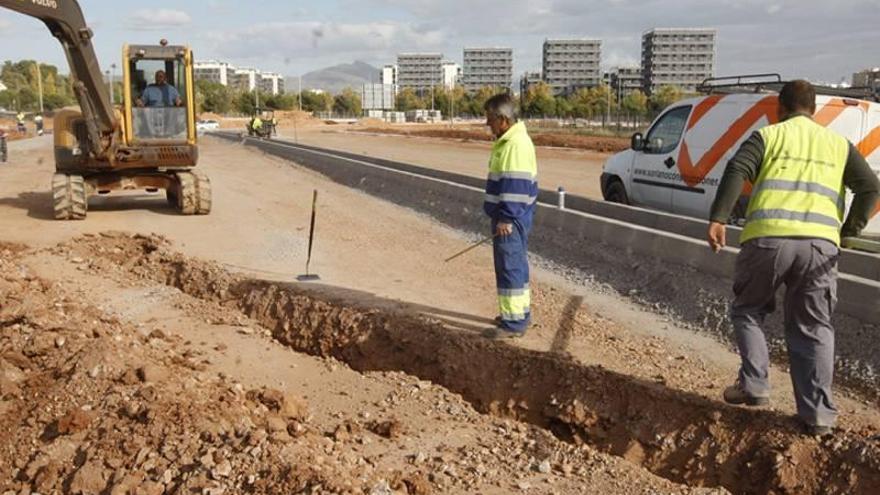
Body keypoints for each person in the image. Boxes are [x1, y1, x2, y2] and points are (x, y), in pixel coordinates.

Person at [707, 80, 880, 436]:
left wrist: (719, 218)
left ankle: (755, 384)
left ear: (779, 109)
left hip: (768, 241)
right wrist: (850, 230)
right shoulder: (838, 144)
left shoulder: (768, 137)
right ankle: (818, 416)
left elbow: (737, 169)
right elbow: (870, 188)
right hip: (820, 247)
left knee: (749, 310)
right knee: (814, 327)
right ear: (813, 109)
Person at [481, 93, 539, 339]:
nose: (487, 124)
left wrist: (505, 218)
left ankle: (513, 324)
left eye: (490, 119)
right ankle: (519, 313)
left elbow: (515, 186)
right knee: (515, 266)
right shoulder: (511, 141)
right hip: (513, 217)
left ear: (503, 119)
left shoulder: (515, 145)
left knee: (510, 267)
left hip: (510, 219)